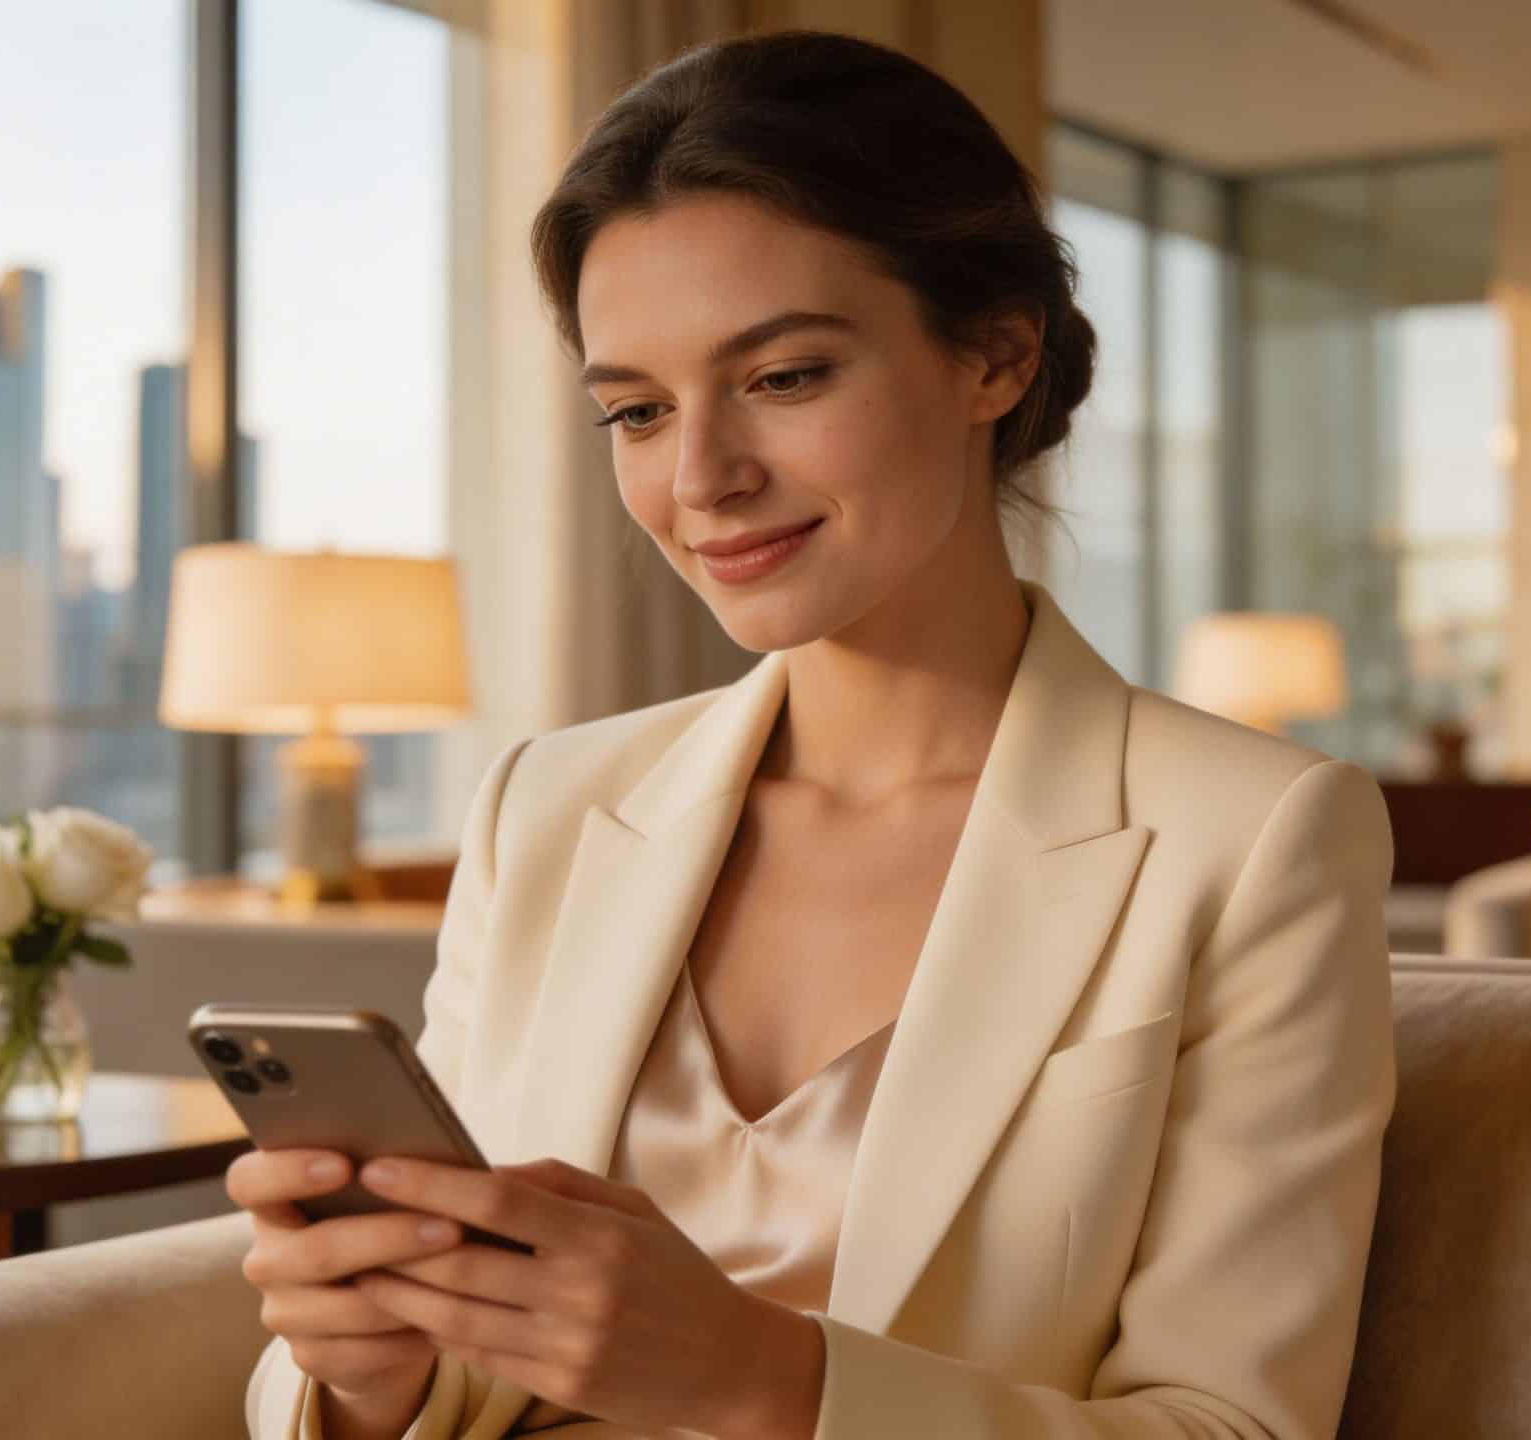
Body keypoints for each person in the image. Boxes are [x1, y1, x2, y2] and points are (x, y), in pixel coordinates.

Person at [229, 29, 1395, 1440]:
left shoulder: (1250, 839)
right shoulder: (544, 806)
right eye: (638, 411)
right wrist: (369, 1376)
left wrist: (754, 1378)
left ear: (995, 356)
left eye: (783, 378)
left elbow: (1238, 1427)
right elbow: (443, 1364)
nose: (702, 477)